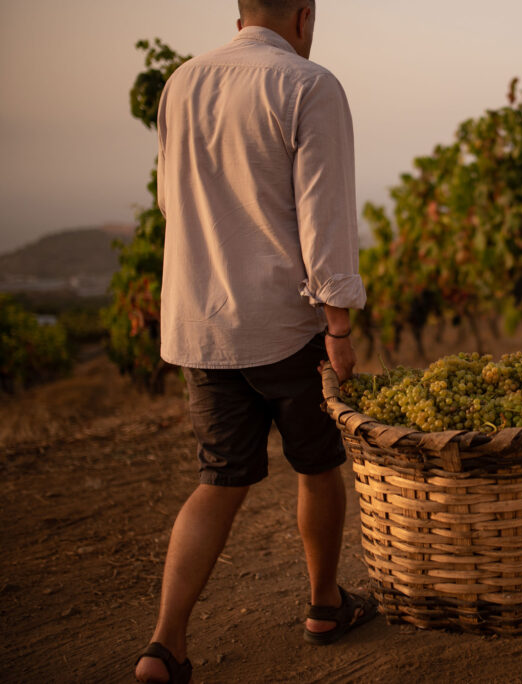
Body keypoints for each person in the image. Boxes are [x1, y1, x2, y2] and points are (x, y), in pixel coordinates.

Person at [134, 1, 376, 682]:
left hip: (200, 323)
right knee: (317, 465)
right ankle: (324, 605)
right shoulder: (308, 84)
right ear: (304, 15)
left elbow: (169, 200)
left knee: (218, 479)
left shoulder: (182, 82)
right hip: (284, 324)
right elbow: (325, 218)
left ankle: (165, 645)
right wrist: (338, 326)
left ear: (239, 16)